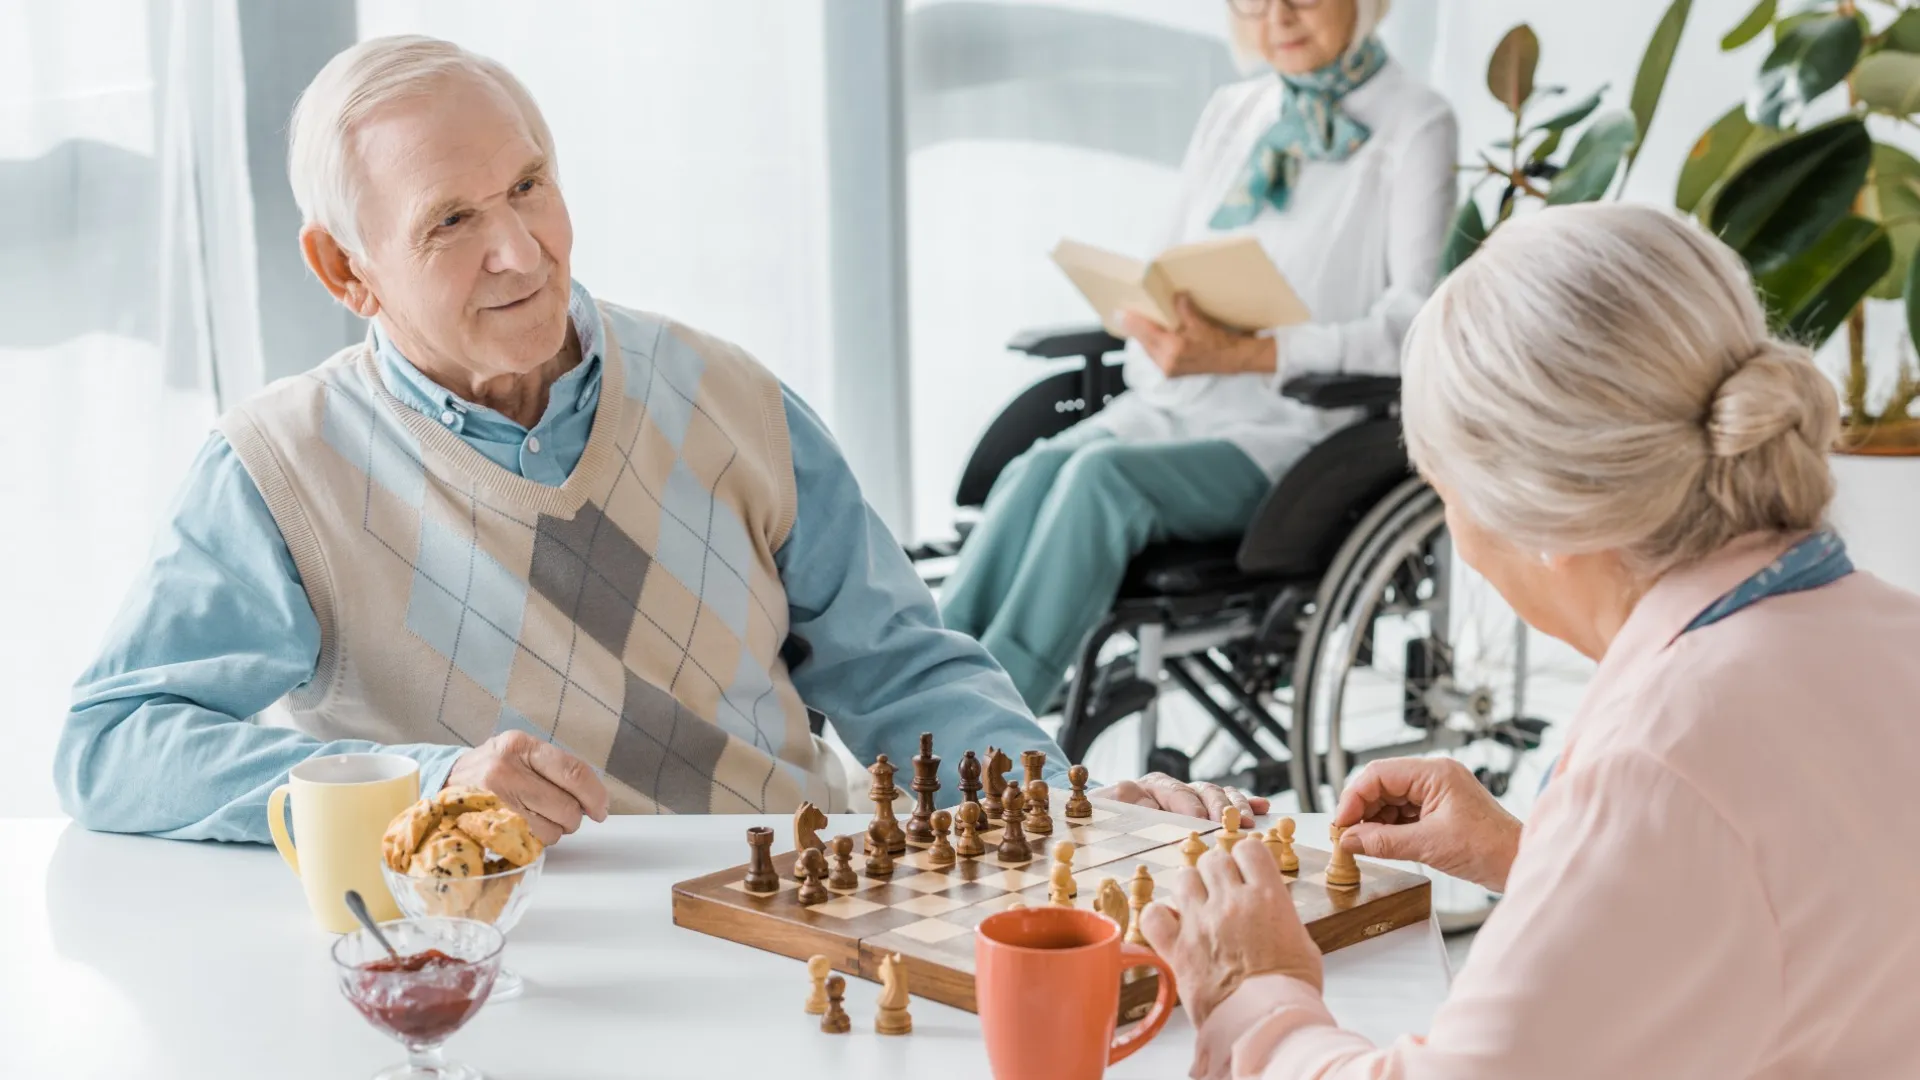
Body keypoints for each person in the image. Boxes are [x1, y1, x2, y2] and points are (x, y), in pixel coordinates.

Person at [54, 36, 1261, 848]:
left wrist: (1078, 810)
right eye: (454, 221)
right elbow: (111, 747)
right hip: (508, 971)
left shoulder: (729, 396)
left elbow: (902, 675)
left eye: (530, 187)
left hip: (782, 914)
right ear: (343, 268)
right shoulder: (281, 470)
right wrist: (420, 791)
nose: (520, 250)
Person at [1136, 204, 1920, 1077]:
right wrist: (1537, 856)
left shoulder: (1659, 764)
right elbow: (1786, 917)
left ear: (1546, 519)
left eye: (1445, 493)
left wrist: (1256, 989)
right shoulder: (1895, 636)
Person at [939, 0, 1456, 714]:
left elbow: (1412, 325)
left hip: (1296, 437)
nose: (1277, 16)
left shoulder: (1415, 121)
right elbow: (1167, 264)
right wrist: (1157, 326)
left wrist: (1250, 354)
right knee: (1036, 469)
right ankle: (926, 683)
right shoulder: (1233, 111)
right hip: (1181, 400)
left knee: (1099, 480)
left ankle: (987, 724)